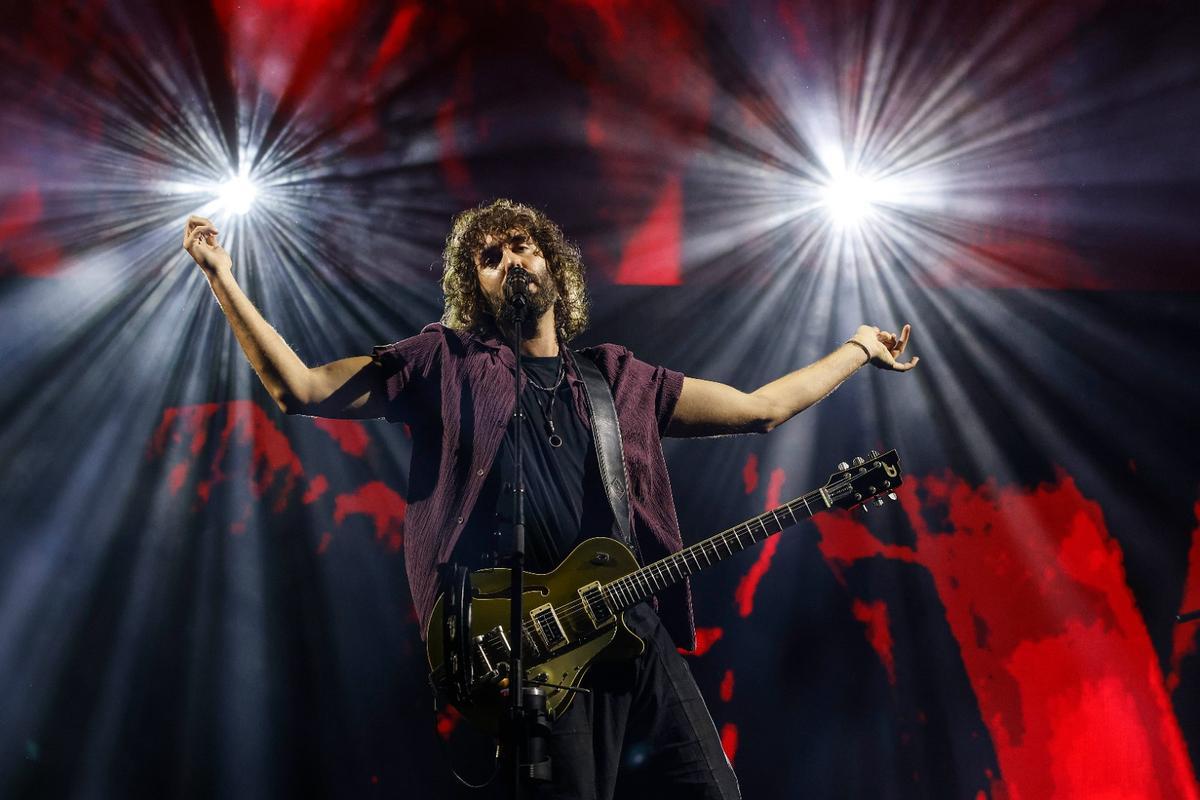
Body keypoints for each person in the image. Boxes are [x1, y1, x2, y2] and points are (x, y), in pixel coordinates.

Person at [182, 199, 917, 799]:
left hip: (631, 629)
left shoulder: (619, 379)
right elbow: (300, 389)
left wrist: (856, 347)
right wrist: (220, 275)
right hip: (531, 645)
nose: (510, 260)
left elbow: (762, 408)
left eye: (522, 245)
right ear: (477, 288)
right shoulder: (445, 362)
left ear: (554, 268)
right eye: (490, 256)